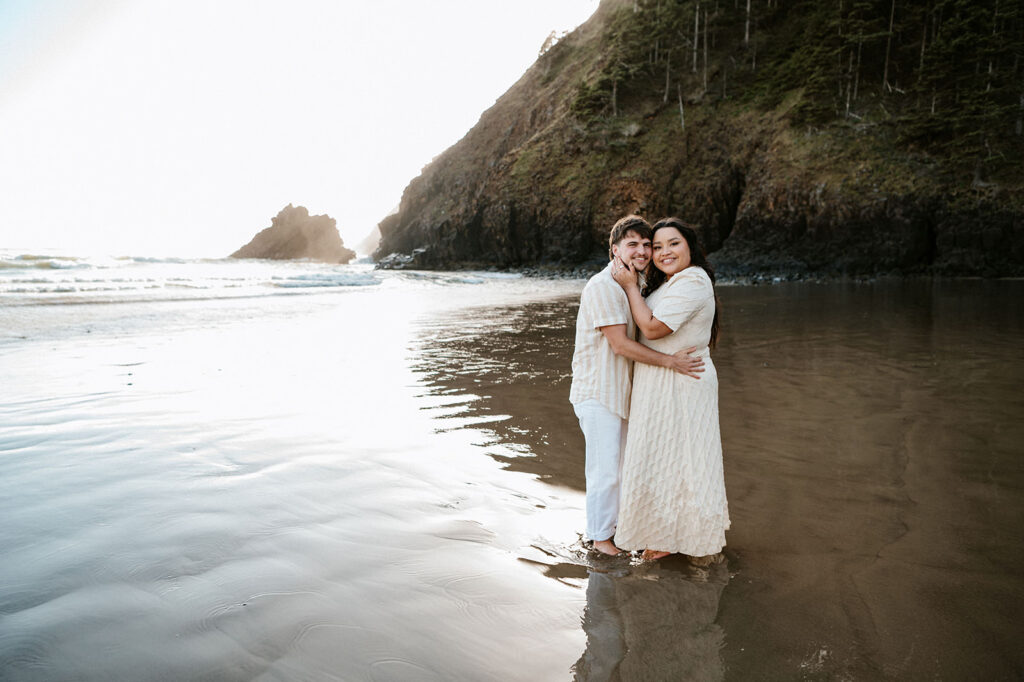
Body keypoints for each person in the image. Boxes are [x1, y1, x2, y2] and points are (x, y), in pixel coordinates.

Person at [570, 215, 705, 557]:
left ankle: (614, 530)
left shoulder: (635, 285)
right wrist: (670, 362)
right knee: (606, 470)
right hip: (598, 391)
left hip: (621, 391)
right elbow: (620, 345)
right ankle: (601, 541)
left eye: (647, 244)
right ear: (614, 249)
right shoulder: (603, 286)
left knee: (622, 468)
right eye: (633, 244)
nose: (643, 251)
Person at [611, 217, 730, 562]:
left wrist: (630, 286)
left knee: (685, 459)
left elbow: (652, 328)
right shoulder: (668, 284)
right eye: (657, 246)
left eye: (673, 243)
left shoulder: (692, 280)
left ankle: (684, 538)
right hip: (663, 380)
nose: (663, 252)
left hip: (683, 381)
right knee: (664, 458)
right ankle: (665, 534)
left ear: (690, 246)